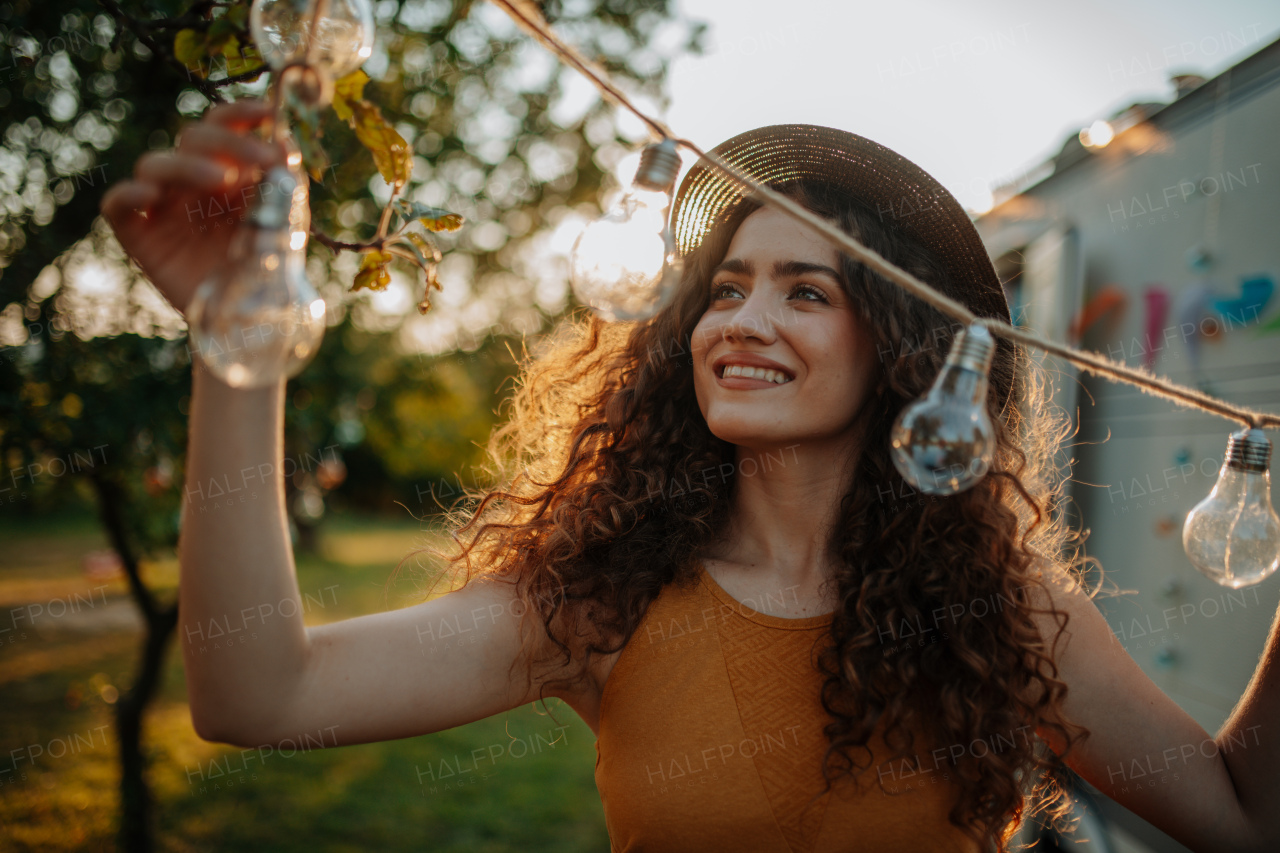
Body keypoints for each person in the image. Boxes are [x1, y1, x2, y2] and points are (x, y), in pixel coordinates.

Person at [101, 100, 1280, 853]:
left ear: (903, 352)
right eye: (726, 287)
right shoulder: (606, 596)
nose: (739, 320)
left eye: (803, 292)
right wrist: (236, 340)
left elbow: (1239, 816)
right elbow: (261, 695)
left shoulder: (1002, 608)